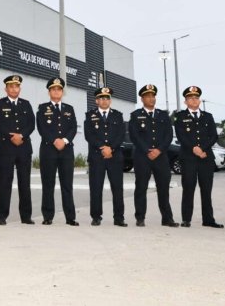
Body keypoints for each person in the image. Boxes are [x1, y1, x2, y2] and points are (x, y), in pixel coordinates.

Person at [127, 84, 178, 227]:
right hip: (143, 157)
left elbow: (168, 135)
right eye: (148, 96)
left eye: (153, 96)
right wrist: (147, 150)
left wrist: (159, 150)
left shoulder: (163, 115)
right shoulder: (136, 115)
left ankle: (167, 218)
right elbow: (134, 136)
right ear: (142, 99)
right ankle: (140, 217)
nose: (151, 98)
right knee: (141, 187)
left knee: (163, 188)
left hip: (160, 157)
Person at [173, 85, 222, 228]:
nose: (194, 100)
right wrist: (194, 148)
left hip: (206, 157)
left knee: (206, 190)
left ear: (199, 100)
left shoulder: (208, 117)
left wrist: (203, 148)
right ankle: (186, 219)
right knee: (188, 188)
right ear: (185, 102)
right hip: (188, 158)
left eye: (196, 98)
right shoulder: (181, 117)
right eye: (190, 98)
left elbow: (213, 136)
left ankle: (208, 220)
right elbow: (181, 136)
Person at [0, 74, 35, 225]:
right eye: (11, 86)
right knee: (4, 182)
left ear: (20, 88)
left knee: (25, 183)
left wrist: (21, 135)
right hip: (6, 147)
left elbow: (31, 124)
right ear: (6, 88)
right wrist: (11, 137)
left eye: (16, 86)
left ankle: (26, 216)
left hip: (24, 148)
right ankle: (2, 216)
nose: (14, 88)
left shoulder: (26, 104)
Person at [36, 77, 78, 226]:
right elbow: (42, 128)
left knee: (67, 184)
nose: (56, 91)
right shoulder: (42, 108)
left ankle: (70, 217)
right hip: (49, 150)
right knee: (48, 184)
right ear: (49, 92)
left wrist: (64, 141)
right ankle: (47, 216)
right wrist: (55, 140)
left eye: (59, 89)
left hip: (66, 151)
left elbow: (73, 128)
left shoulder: (69, 109)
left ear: (62, 92)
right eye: (53, 89)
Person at [84, 87, 126, 227]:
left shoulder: (118, 116)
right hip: (97, 157)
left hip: (115, 157)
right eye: (102, 98)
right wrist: (102, 147)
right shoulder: (90, 116)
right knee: (96, 188)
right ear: (97, 101)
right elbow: (89, 135)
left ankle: (119, 218)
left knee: (117, 188)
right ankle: (96, 217)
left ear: (110, 100)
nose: (104, 100)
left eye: (107, 98)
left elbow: (121, 135)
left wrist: (111, 148)